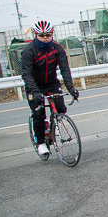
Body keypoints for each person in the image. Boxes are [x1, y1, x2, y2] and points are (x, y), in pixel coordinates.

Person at [20, 20, 79, 156]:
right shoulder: (29, 51)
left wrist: (71, 88)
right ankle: (40, 143)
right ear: (36, 35)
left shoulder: (58, 48)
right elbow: (26, 74)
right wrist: (35, 92)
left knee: (61, 108)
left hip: (52, 83)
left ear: (52, 34)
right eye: (41, 35)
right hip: (34, 86)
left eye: (48, 34)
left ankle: (56, 123)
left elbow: (65, 70)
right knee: (38, 113)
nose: (45, 37)